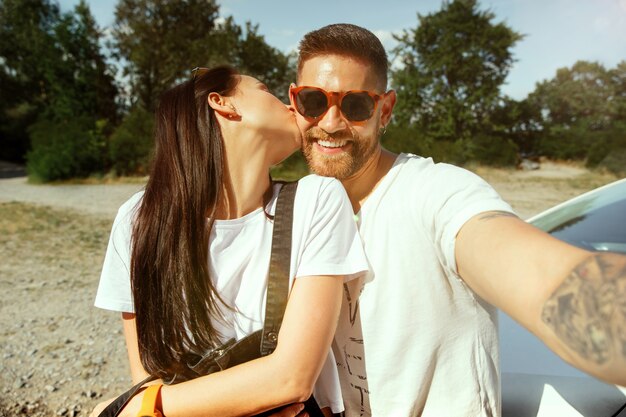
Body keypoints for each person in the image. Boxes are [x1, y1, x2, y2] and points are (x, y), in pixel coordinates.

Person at [276, 23, 626, 416]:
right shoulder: (295, 210)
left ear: (384, 109)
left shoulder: (437, 192)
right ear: (293, 101)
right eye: (313, 100)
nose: (331, 122)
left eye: (356, 105)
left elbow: (545, 280)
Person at [91, 66, 369, 417]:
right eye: (265, 88)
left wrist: (141, 407)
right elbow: (149, 373)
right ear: (222, 104)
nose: (292, 106)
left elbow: (291, 379)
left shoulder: (317, 198)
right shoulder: (139, 218)